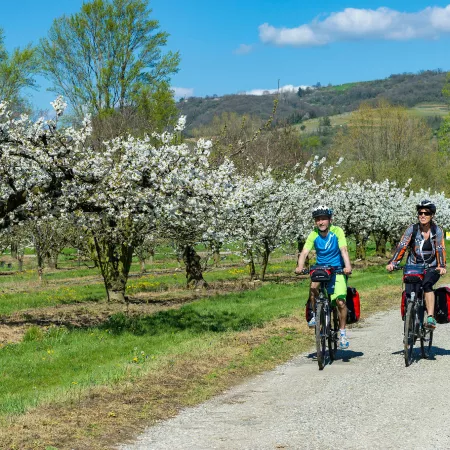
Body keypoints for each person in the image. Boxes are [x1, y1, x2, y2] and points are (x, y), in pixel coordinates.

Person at [295, 205, 353, 349]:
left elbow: (343, 249)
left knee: (340, 302)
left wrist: (347, 266)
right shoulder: (313, 234)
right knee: (313, 288)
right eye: (318, 220)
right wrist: (300, 267)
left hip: (337, 269)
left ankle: (342, 333)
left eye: (323, 219)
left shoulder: (337, 231)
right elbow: (304, 252)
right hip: (321, 268)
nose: (320, 222)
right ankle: (316, 314)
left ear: (330, 220)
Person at [386, 199, 446, 329]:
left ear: (432, 215)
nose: (423, 215)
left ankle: (430, 317)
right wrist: (393, 263)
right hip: (413, 266)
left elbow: (440, 249)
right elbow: (402, 246)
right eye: (420, 213)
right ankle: (410, 319)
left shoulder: (437, 231)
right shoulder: (412, 229)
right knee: (410, 293)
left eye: (426, 213)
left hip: (431, 267)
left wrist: (441, 266)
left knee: (427, 285)